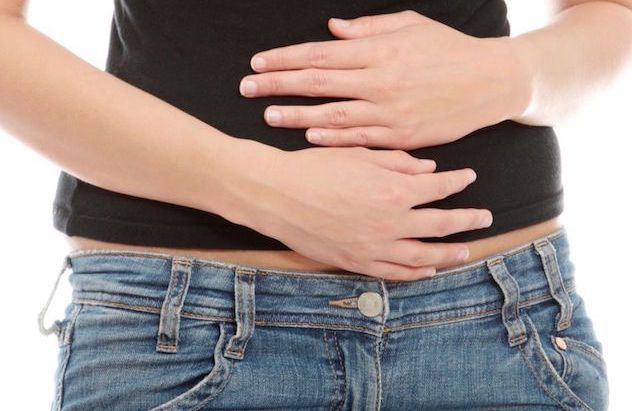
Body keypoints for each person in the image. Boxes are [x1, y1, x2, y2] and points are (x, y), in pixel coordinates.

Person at [1, 0, 627, 409]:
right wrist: (255, 185)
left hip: (502, 332)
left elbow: (611, 14)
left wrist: (509, 75)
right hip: (182, 335)